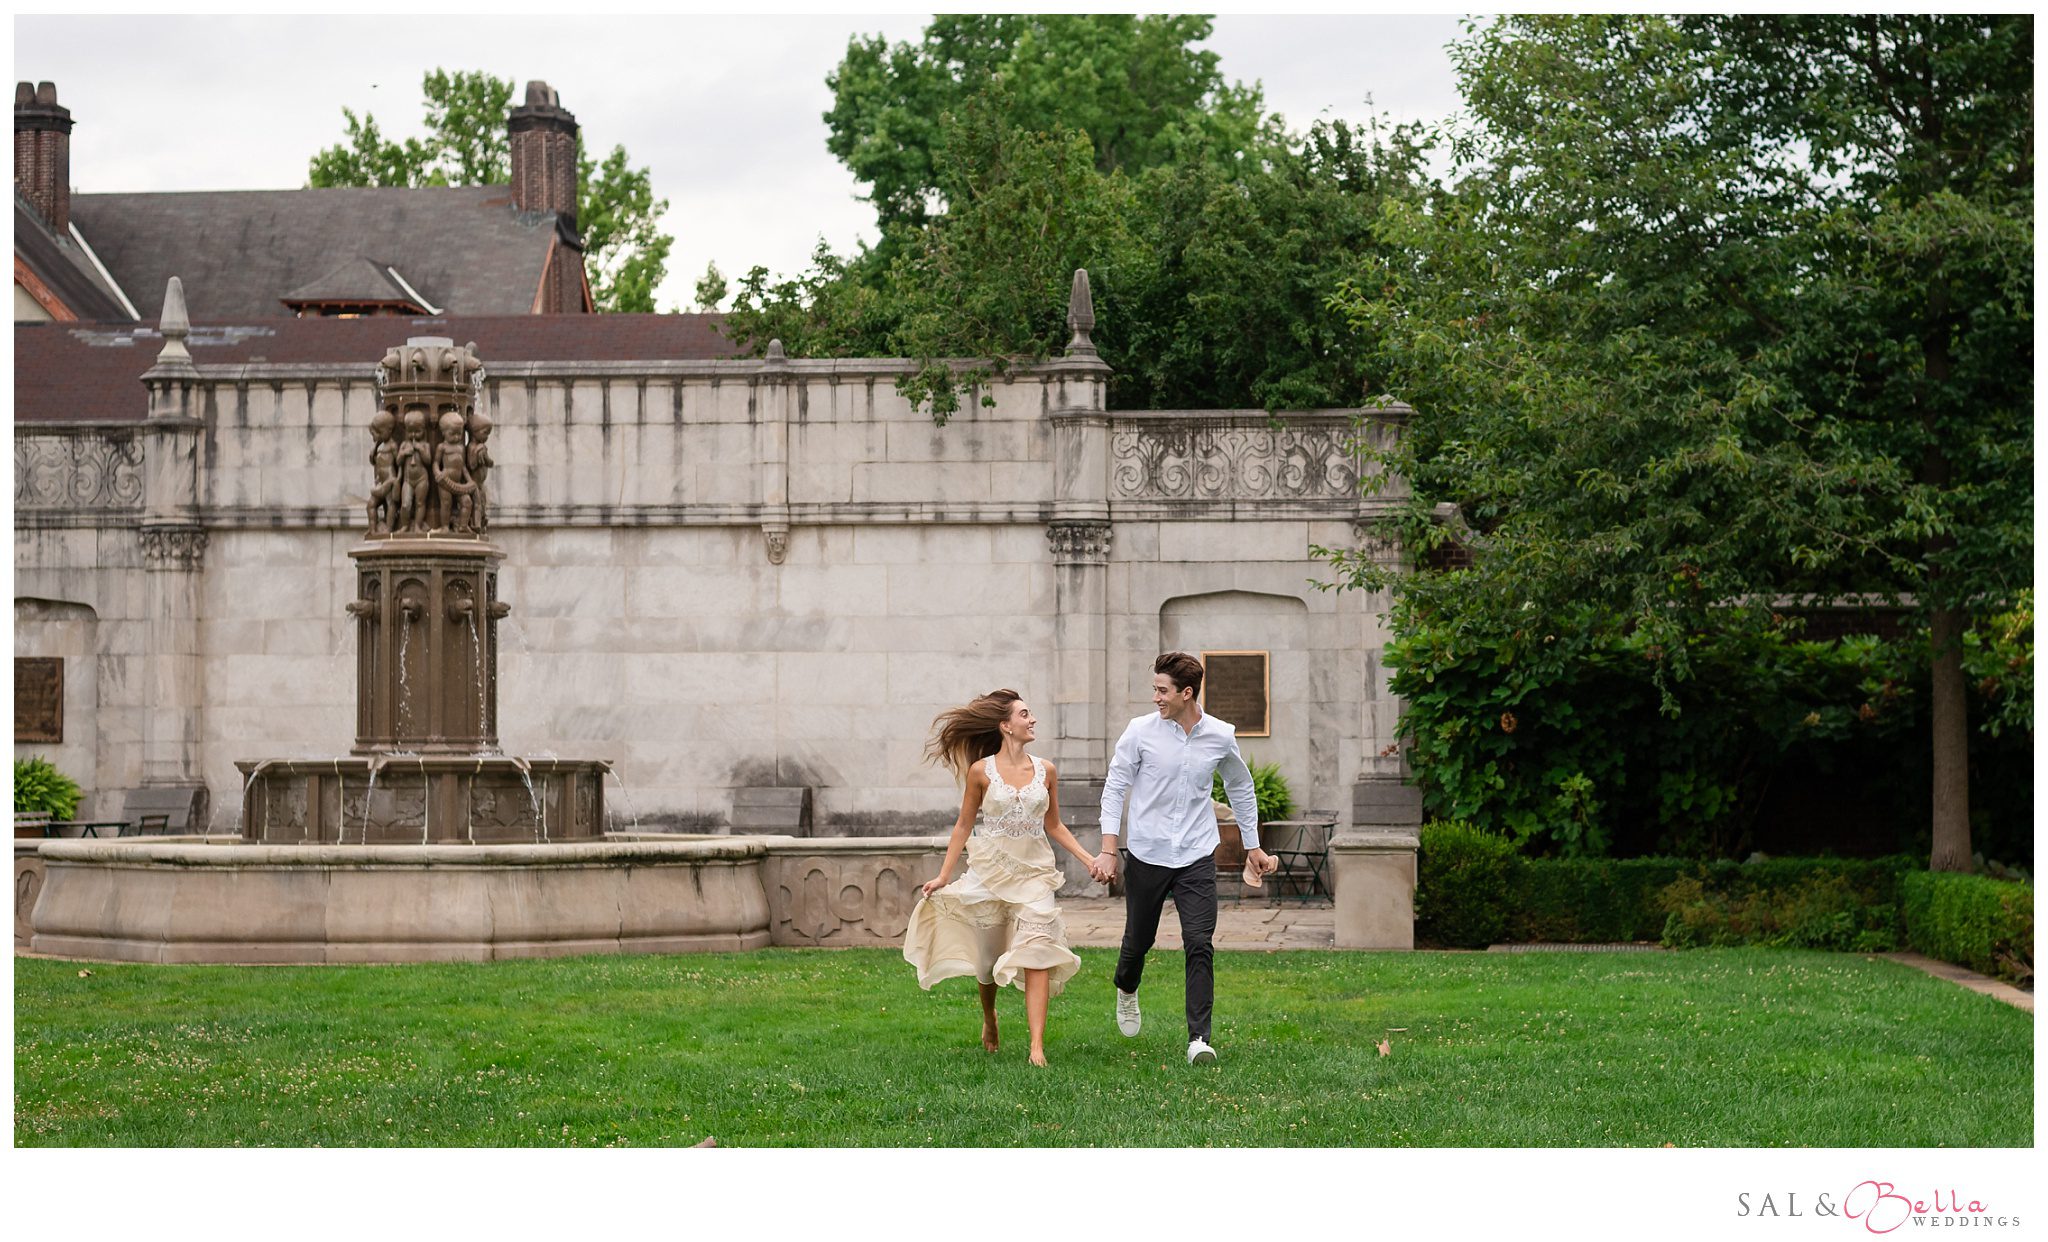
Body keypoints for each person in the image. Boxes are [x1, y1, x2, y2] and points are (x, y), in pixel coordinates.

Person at [903, 689, 1112, 1066]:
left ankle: (1036, 1047)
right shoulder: (981, 771)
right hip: (989, 873)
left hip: (1035, 876)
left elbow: (1055, 825)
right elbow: (964, 825)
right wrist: (944, 876)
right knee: (986, 963)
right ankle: (990, 1017)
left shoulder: (1046, 770)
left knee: (1037, 953)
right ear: (1006, 726)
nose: (1032, 720)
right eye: (1025, 715)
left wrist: (1088, 859)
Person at [1095, 651, 1276, 1065]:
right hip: (1147, 852)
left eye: (1162, 690)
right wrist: (1108, 849)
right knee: (1137, 943)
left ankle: (1199, 1040)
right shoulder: (1140, 732)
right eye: (1155, 689)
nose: (1155, 697)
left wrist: (1253, 846)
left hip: (1196, 853)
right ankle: (1126, 988)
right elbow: (1115, 786)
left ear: (1186, 693)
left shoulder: (1220, 735)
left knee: (1199, 943)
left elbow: (1241, 788)